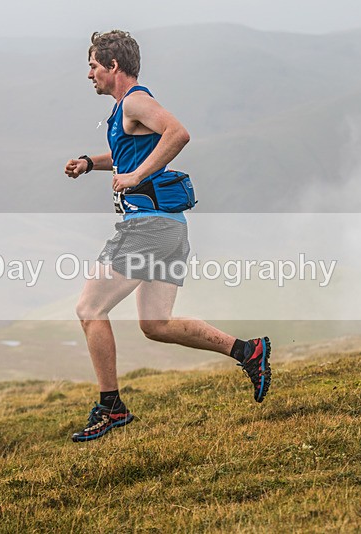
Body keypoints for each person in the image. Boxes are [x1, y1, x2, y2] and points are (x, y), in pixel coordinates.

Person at [64, 31, 271, 442]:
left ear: (113, 66)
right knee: (156, 323)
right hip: (170, 228)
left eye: (92, 65)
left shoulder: (136, 101)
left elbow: (177, 133)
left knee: (89, 308)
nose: (89, 74)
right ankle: (249, 352)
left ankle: (111, 407)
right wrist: (91, 163)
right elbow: (128, 154)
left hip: (147, 227)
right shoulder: (126, 111)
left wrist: (137, 177)